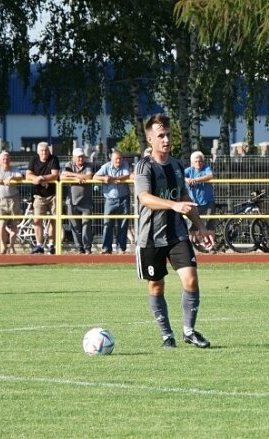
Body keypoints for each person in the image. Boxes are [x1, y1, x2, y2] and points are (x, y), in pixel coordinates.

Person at [134, 113, 215, 349]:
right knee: (156, 285)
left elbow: (185, 198)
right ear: (150, 139)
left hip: (177, 234)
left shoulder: (179, 166)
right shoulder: (143, 166)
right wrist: (173, 205)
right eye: (161, 135)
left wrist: (200, 227)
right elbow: (145, 198)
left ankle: (189, 331)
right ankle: (166, 334)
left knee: (190, 279)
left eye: (168, 134)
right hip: (150, 237)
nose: (166, 139)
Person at [95, 150, 132, 254]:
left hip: (124, 198)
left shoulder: (125, 165)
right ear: (112, 159)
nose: (119, 161)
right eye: (116, 159)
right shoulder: (106, 166)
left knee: (123, 224)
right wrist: (104, 178)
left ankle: (121, 248)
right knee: (107, 224)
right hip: (110, 200)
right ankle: (106, 248)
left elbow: (126, 175)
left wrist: (113, 178)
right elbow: (95, 177)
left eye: (120, 158)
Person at [26, 141, 60, 254]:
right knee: (37, 220)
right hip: (39, 195)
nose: (44, 152)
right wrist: (36, 179)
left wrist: (41, 178)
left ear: (49, 151)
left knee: (54, 220)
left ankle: (51, 245)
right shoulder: (33, 159)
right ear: (38, 152)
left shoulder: (54, 159)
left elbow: (55, 175)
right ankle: (39, 245)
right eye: (42, 151)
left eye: (46, 150)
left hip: (53, 195)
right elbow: (28, 174)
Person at [62, 148, 94, 254]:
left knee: (86, 225)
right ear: (74, 158)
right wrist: (77, 179)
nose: (81, 158)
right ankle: (79, 248)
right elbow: (62, 177)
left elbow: (89, 176)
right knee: (75, 226)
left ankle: (87, 247)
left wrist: (72, 175)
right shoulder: (68, 164)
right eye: (78, 157)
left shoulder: (88, 164)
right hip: (71, 202)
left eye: (82, 156)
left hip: (86, 201)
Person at [184, 151, 217, 246]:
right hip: (194, 202)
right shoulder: (189, 170)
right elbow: (179, 175)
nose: (198, 163)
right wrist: (188, 179)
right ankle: (191, 245)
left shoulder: (206, 168)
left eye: (200, 161)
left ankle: (211, 245)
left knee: (210, 224)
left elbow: (210, 175)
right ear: (192, 162)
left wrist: (196, 180)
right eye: (196, 161)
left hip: (208, 201)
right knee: (191, 225)